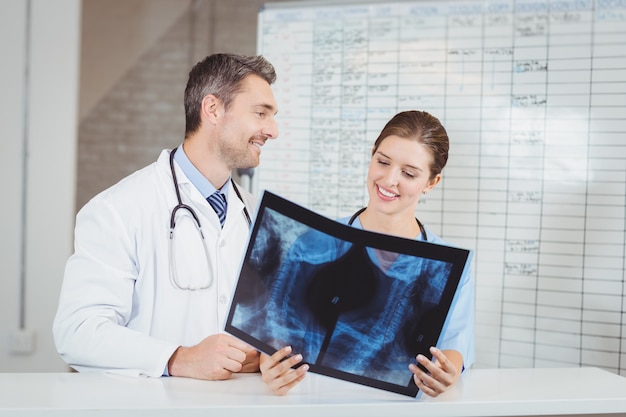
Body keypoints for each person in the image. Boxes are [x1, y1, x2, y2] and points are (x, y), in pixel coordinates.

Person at [52, 53, 279, 380]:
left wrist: (264, 354)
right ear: (212, 109)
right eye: (261, 113)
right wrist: (178, 358)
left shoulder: (258, 214)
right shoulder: (118, 210)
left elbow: (269, 325)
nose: (272, 130)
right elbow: (78, 331)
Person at [259, 110, 475, 397]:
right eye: (382, 162)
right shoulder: (313, 245)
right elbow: (274, 336)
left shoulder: (447, 265)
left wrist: (448, 370)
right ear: (372, 155)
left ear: (432, 183)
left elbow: (456, 347)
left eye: (409, 173)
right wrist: (270, 367)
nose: (389, 180)